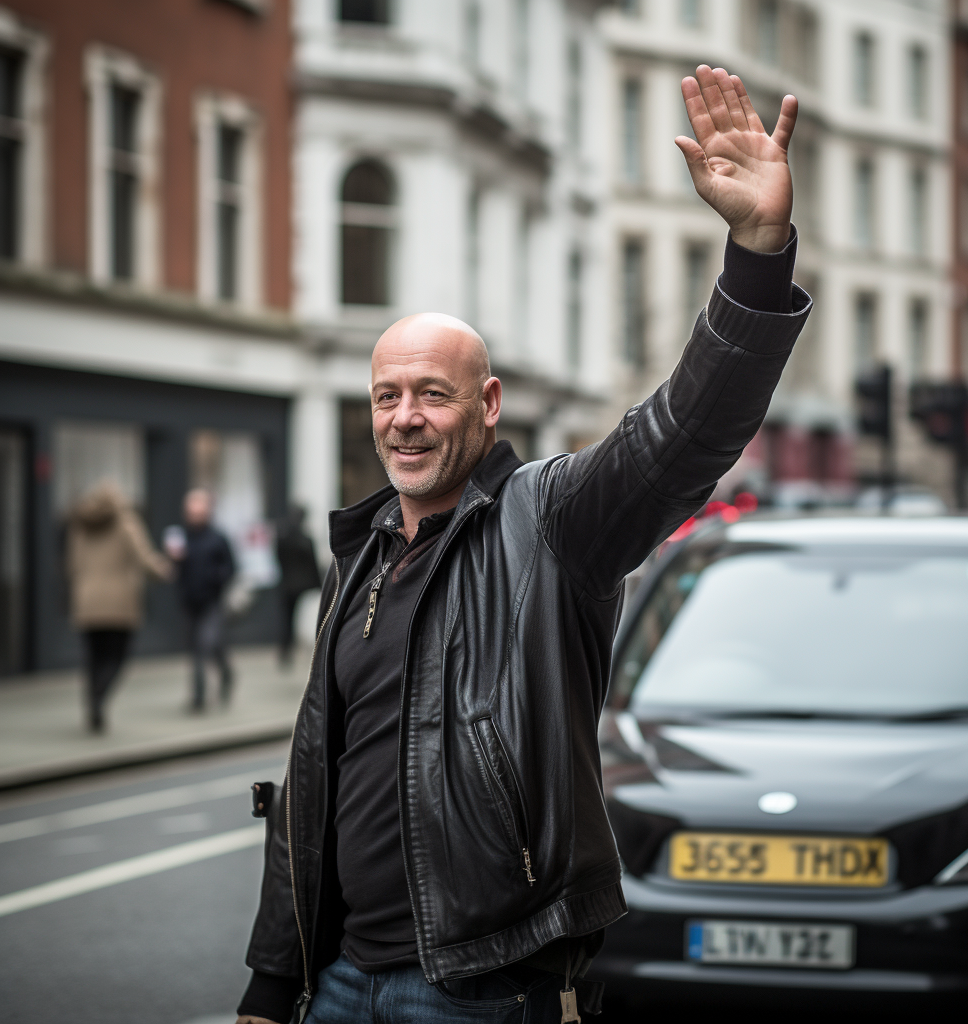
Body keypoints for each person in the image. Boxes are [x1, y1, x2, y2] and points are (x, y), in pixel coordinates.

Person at [237, 67, 810, 1024]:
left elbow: (682, 436)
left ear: (488, 404)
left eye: (433, 393)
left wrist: (755, 253)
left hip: (482, 987)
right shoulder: (363, 554)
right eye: (388, 396)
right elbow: (313, 783)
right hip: (334, 983)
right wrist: (271, 978)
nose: (406, 420)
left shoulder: (550, 523)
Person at [66, 481, 171, 733]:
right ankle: (99, 699)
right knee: (117, 656)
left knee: (93, 656)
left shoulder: (80, 525)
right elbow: (144, 558)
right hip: (119, 600)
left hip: (87, 599)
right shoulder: (126, 522)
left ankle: (92, 702)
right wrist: (163, 569)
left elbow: (71, 563)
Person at [169, 488, 236, 711]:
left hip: (212, 601)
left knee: (204, 644)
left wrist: (216, 579)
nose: (195, 515)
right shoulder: (181, 537)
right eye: (191, 511)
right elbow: (175, 569)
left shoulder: (218, 538)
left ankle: (200, 696)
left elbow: (231, 567)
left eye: (199, 511)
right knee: (200, 647)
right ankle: (222, 675)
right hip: (189, 601)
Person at [275, 505, 322, 666]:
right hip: (300, 584)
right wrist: (319, 584)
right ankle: (289, 647)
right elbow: (312, 563)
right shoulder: (304, 539)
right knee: (295, 617)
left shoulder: (284, 537)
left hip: (288, 584)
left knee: (287, 618)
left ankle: (286, 648)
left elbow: (278, 558)